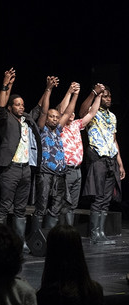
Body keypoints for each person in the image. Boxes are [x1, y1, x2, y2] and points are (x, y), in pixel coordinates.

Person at [0, 68, 44, 253]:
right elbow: (0, 105)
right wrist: (6, 84)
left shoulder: (27, 119)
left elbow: (39, 109)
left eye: (22, 104)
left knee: (21, 209)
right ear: (10, 107)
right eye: (17, 104)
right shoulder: (6, 119)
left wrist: (47, 89)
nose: (21, 107)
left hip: (26, 169)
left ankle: (19, 241)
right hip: (10, 168)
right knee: (5, 206)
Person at [78, 84, 125, 245]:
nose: (108, 99)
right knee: (97, 197)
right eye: (105, 96)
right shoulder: (93, 112)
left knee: (106, 198)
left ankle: (101, 232)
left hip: (111, 158)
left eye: (110, 96)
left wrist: (120, 163)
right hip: (98, 156)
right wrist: (94, 93)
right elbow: (82, 112)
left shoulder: (112, 117)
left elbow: (114, 140)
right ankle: (94, 234)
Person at [30, 76, 77, 232]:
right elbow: (43, 110)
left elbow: (68, 111)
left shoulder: (58, 130)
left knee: (56, 206)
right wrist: (48, 90)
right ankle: (36, 236)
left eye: (57, 117)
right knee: (41, 205)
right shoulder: (42, 129)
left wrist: (74, 94)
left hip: (60, 174)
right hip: (45, 173)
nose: (55, 119)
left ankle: (49, 234)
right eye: (52, 116)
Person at [56, 82, 104, 225]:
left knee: (73, 205)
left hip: (77, 171)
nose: (70, 114)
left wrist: (99, 96)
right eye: (68, 113)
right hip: (66, 170)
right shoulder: (61, 126)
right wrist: (70, 92)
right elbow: (62, 109)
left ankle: (69, 231)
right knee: (65, 202)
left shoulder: (77, 125)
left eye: (73, 113)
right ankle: (63, 232)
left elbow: (92, 113)